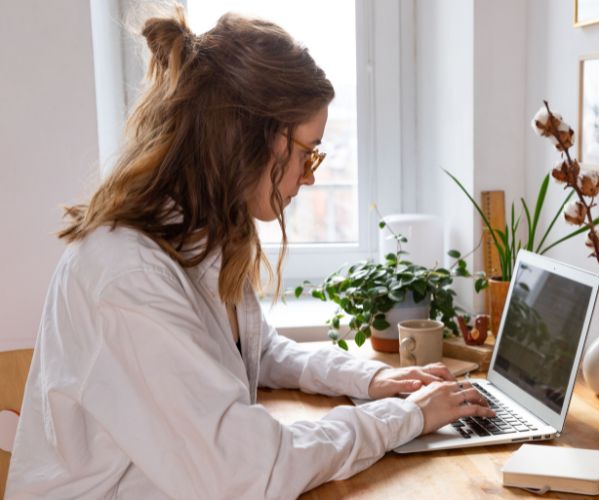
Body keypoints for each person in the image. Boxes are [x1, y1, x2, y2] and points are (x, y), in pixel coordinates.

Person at [6, 7, 495, 499]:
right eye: (309, 152)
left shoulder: (205, 235)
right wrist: (405, 417)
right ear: (250, 137)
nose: (310, 176)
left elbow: (255, 350)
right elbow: (249, 470)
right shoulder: (126, 275)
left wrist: (375, 380)